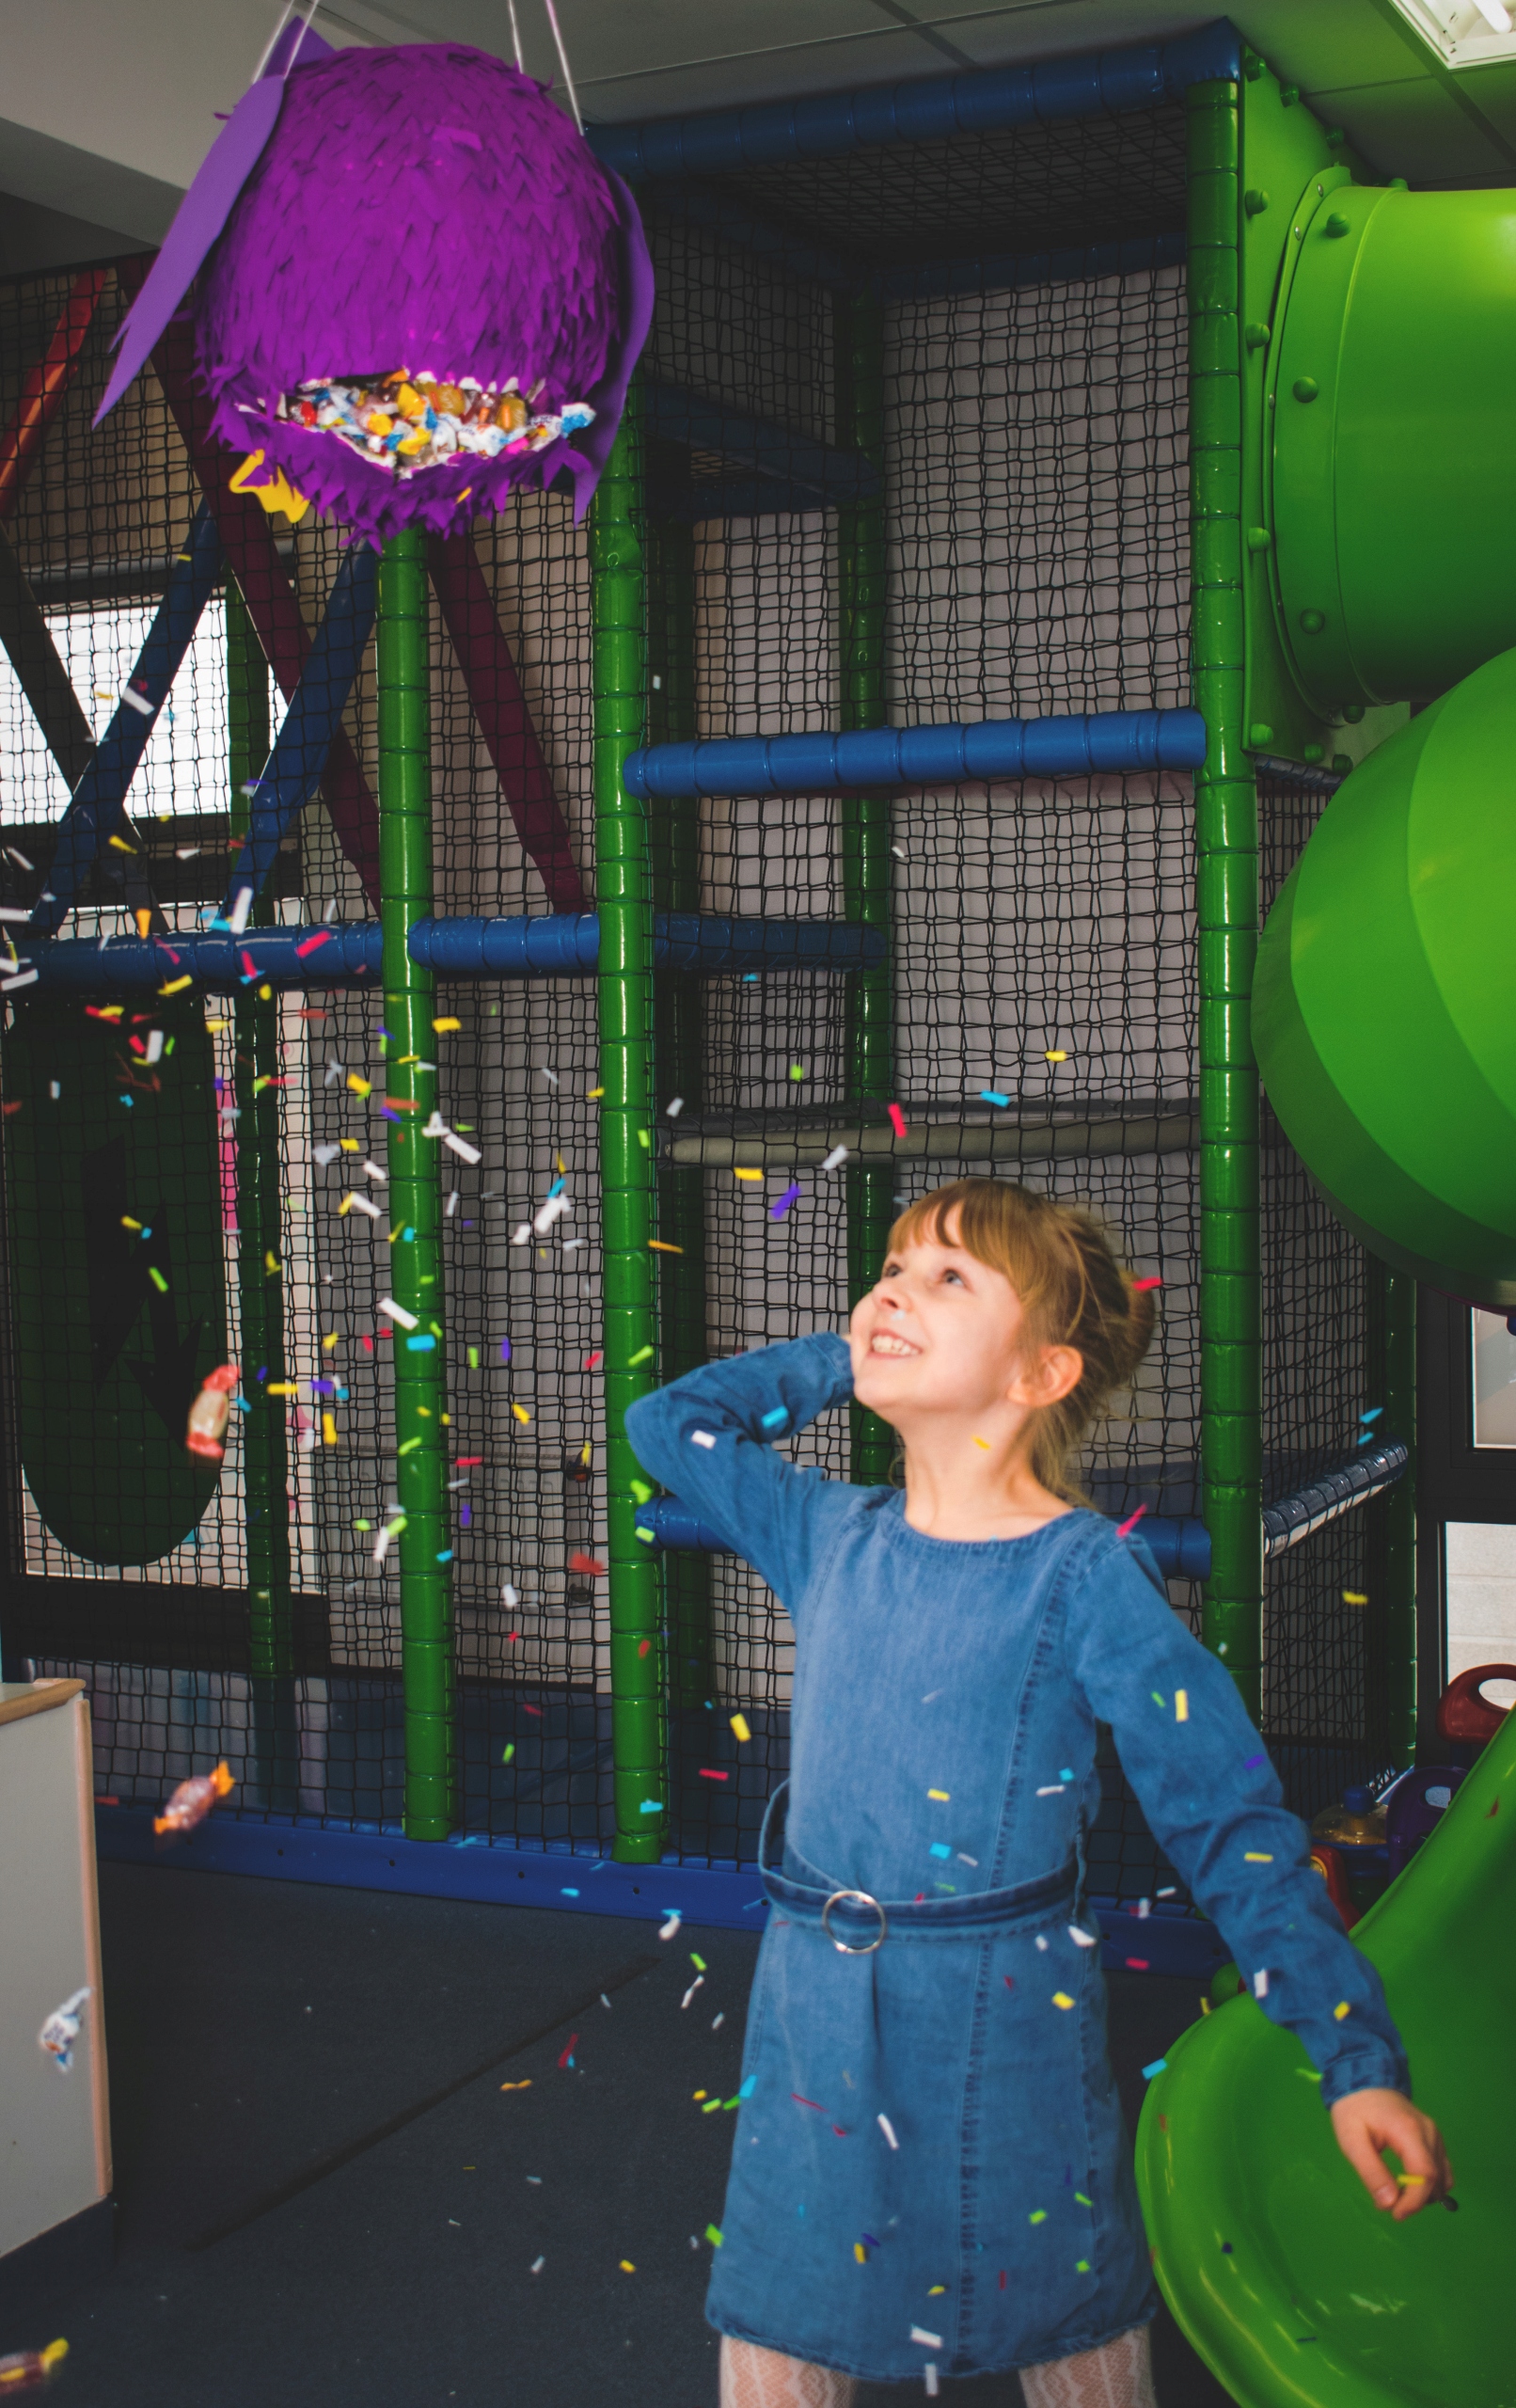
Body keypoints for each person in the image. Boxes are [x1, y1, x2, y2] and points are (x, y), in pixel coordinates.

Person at [625, 1179, 1451, 2408]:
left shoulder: (1088, 1580)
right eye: (891, 1269)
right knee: (783, 2310)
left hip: (1004, 2025)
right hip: (814, 2019)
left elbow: (1230, 1827)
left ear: (1040, 1374)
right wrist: (841, 1355)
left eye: (948, 1278)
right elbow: (667, 1424)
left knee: (1067, 2315)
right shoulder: (824, 1530)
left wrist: (1355, 2057)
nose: (894, 1291)